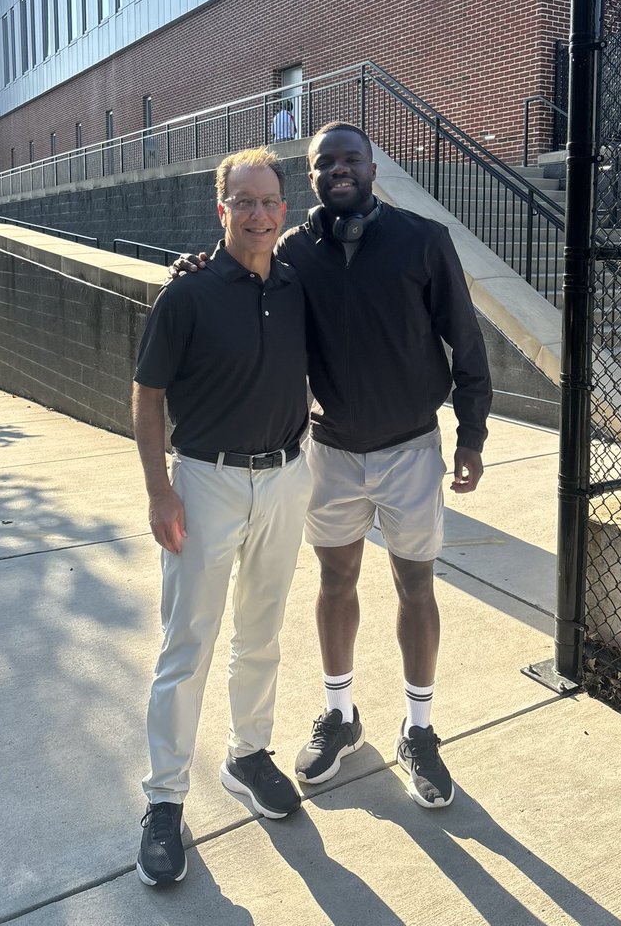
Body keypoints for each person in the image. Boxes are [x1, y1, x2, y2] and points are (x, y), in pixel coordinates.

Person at [173, 122, 492, 811]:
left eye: (350, 158)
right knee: (335, 579)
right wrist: (196, 267)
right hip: (331, 451)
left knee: (416, 586)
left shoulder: (423, 240)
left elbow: (465, 342)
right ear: (311, 177)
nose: (338, 169)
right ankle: (341, 715)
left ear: (372, 165)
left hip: (411, 449)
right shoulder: (293, 251)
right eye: (324, 163)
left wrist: (471, 435)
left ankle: (420, 730)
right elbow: (244, 277)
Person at [132, 146, 312, 887]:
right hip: (204, 483)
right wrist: (159, 490)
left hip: (285, 478)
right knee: (188, 644)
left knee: (262, 632)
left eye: (270, 201)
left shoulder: (299, 285)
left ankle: (248, 753)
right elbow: (147, 397)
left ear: (284, 209)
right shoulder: (189, 294)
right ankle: (166, 802)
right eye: (245, 202)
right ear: (222, 210)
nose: (259, 214)